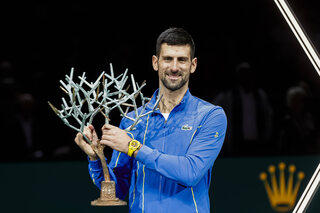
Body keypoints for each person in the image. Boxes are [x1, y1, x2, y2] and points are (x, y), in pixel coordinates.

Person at [74, 27, 227, 213]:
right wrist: (95, 158)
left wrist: (134, 147)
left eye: (182, 60)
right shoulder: (131, 120)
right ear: (155, 62)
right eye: (168, 59)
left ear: (193, 65)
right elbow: (117, 191)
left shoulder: (210, 116)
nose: (174, 67)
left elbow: (191, 172)